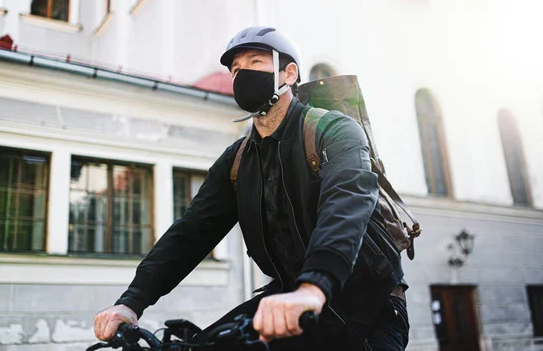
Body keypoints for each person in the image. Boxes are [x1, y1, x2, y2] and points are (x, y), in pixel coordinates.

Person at [93, 26, 410, 350]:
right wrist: (131, 302)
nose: (242, 73)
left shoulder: (334, 130)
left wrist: (313, 288)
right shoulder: (238, 160)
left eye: (255, 62)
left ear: (288, 73)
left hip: (368, 307)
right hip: (290, 301)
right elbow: (190, 234)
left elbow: (345, 206)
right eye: (235, 69)